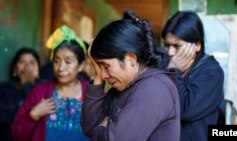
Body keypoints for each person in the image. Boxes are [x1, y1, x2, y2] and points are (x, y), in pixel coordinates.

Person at [82, 10, 180, 141]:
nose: (104, 75)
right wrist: (98, 76)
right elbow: (89, 127)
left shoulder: (155, 88)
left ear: (131, 59)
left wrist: (102, 129)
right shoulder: (122, 88)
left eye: (105, 66)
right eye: (99, 67)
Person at [11, 25, 89, 141]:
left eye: (68, 62)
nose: (61, 67)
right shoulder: (39, 92)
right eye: (56, 61)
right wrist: (33, 115)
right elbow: (16, 134)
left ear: (81, 65)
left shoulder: (92, 93)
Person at [161, 10, 224, 141]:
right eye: (167, 45)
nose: (171, 52)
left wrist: (174, 71)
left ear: (197, 45)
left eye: (177, 46)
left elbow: (186, 110)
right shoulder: (164, 64)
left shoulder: (211, 72)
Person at [0, 47, 40, 141]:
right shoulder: (4, 89)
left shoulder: (45, 90)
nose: (27, 67)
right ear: (15, 69)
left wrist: (27, 85)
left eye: (32, 63)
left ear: (38, 71)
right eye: (22, 62)